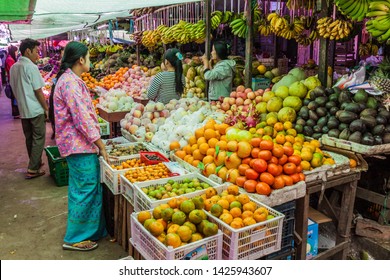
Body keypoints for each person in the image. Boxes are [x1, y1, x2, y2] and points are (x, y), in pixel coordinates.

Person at [53, 41, 108, 251]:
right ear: (81, 60)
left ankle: (90, 230)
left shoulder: (70, 80)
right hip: (78, 146)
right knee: (85, 189)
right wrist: (101, 145)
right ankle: (75, 238)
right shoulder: (70, 83)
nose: (91, 61)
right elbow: (82, 119)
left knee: (85, 188)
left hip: (78, 144)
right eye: (89, 57)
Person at [9, 39, 48, 179]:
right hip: (35, 109)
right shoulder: (31, 67)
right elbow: (38, 91)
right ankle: (33, 169)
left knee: (29, 138)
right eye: (36, 51)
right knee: (39, 138)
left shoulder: (14, 67)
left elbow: (13, 89)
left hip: (23, 110)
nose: (38, 55)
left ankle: (35, 163)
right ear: (28, 51)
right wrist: (46, 108)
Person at [6, 45, 20, 118]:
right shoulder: (10, 59)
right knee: (14, 97)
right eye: (16, 51)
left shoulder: (10, 58)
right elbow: (13, 71)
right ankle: (16, 113)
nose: (17, 53)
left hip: (12, 79)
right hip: (12, 80)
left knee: (14, 97)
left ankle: (16, 113)